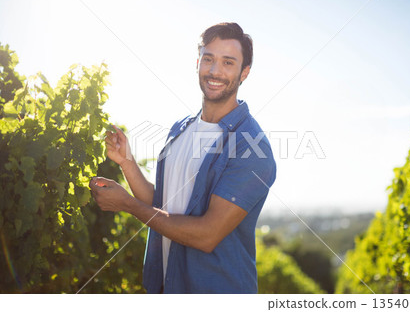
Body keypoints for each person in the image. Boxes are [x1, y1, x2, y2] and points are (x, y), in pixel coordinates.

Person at [89, 22, 276, 294]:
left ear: (244, 72)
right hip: (166, 286)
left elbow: (207, 235)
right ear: (197, 62)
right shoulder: (181, 128)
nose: (215, 71)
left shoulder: (251, 146)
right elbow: (165, 204)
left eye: (228, 63)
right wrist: (127, 162)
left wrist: (127, 205)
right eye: (208, 59)